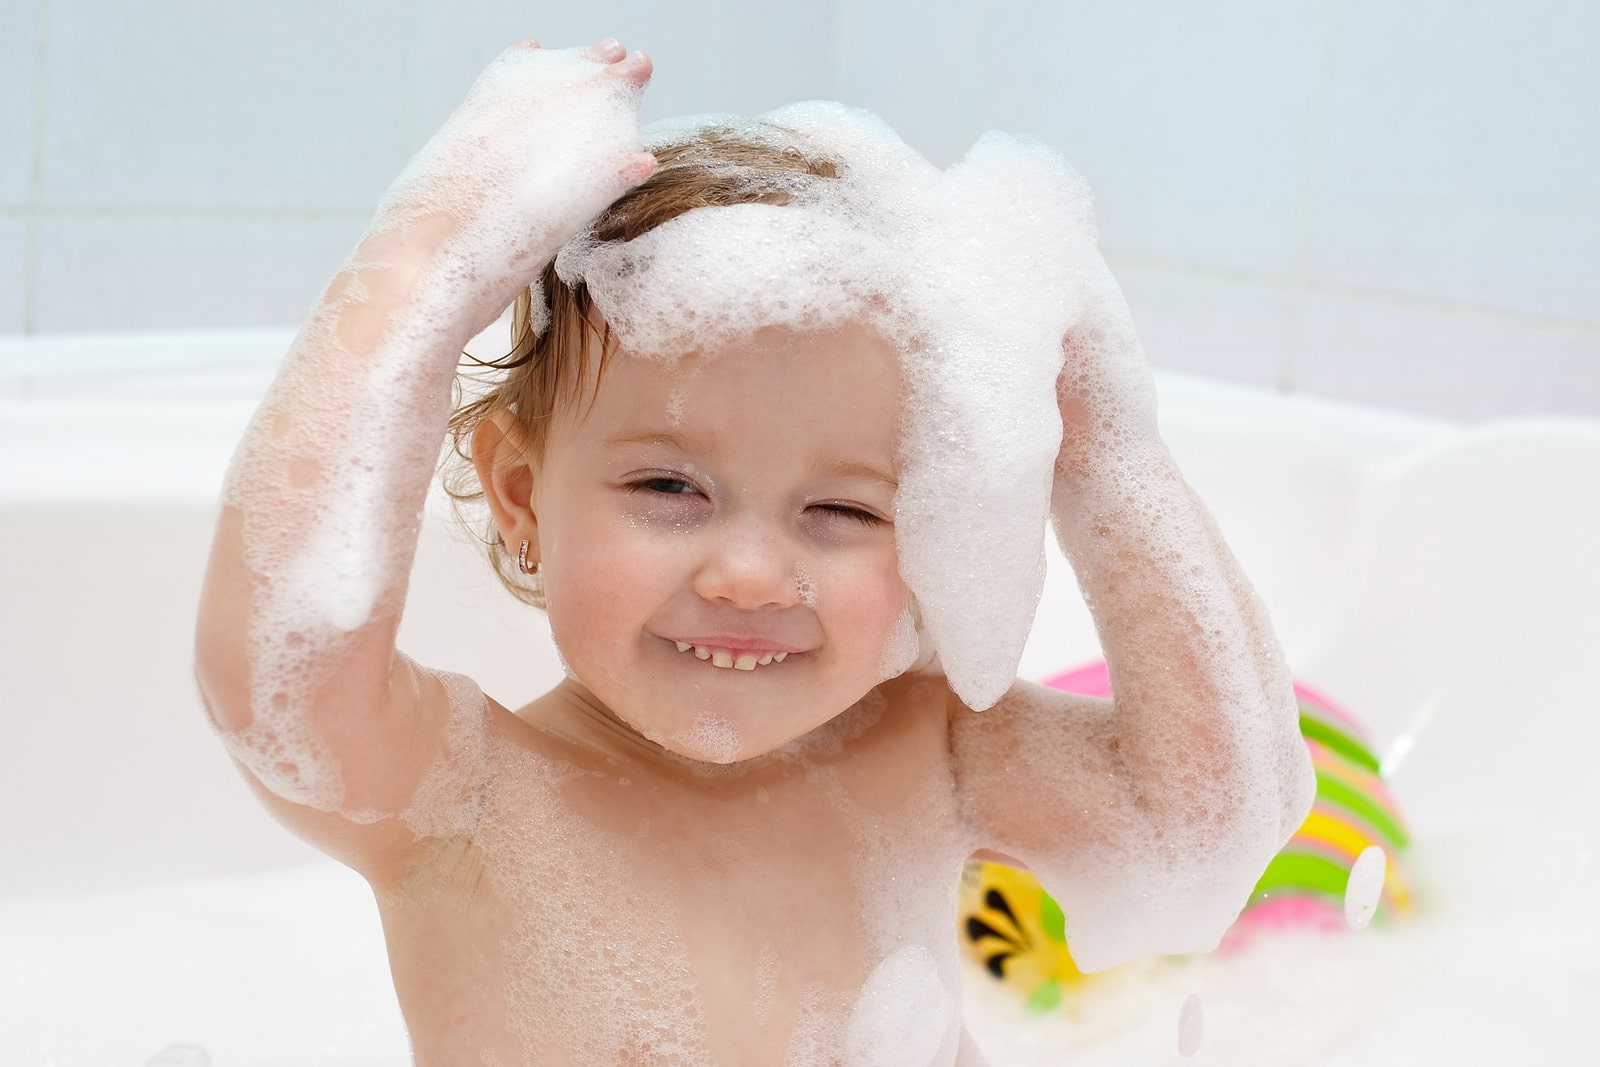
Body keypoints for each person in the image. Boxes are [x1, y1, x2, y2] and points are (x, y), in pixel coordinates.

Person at [194, 36, 1314, 1065]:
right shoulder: (470, 799)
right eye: (669, 487)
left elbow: (1209, 816)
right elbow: (279, 686)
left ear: (938, 522)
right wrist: (426, 258)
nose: (749, 574)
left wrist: (1105, 454)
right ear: (522, 492)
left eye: (844, 512)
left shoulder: (927, 746)